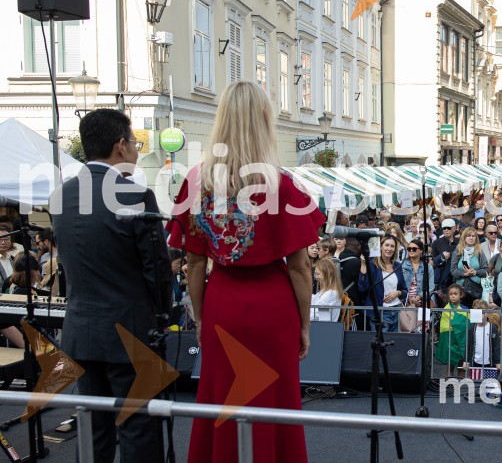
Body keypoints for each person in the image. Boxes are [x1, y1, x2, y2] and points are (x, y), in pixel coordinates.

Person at [167, 82, 323, 463]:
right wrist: (305, 325)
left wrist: (201, 319)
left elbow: (194, 264)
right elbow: (300, 268)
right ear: (265, 122)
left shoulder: (198, 182)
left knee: (222, 398)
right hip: (273, 308)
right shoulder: (281, 184)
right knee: (276, 401)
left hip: (223, 304)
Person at [52, 108, 172, 463]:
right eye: (134, 144)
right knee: (137, 430)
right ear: (120, 146)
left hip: (80, 332)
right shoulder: (135, 195)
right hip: (132, 332)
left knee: (93, 431)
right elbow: (158, 270)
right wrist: (163, 316)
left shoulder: (62, 196)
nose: (136, 152)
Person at [358, 235, 406, 332]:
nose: (389, 249)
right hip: (379, 312)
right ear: (380, 247)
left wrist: (398, 293)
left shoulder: (397, 265)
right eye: (386, 245)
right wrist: (363, 265)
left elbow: (405, 290)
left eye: (392, 246)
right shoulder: (372, 264)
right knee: (380, 345)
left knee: (394, 345)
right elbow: (362, 288)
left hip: (396, 310)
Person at [436, 284, 470, 376]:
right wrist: (457, 323)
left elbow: (467, 324)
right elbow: (444, 325)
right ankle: (449, 376)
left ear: (461, 295)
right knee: (450, 358)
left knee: (460, 358)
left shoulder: (465, 309)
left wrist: (456, 323)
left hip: (461, 338)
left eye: (455, 294)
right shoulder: (446, 309)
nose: (453, 296)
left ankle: (461, 375)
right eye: (451, 294)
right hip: (450, 337)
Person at [451, 227, 488, 306]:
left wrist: (475, 272)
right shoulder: (457, 251)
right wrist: (464, 274)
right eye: (469, 236)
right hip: (460, 289)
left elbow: (486, 270)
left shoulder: (480, 252)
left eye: (473, 236)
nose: (471, 238)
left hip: (475, 290)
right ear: (464, 237)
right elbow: (453, 270)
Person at [465, 299, 501, 369]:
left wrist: (498, 362)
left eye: (482, 313)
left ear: (487, 313)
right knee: (475, 380)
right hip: (475, 362)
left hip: (489, 363)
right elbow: (468, 345)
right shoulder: (472, 328)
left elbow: (496, 346)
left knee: (490, 380)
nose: (480, 316)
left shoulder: (492, 328)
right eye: (478, 313)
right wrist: (466, 361)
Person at [432, 219, 459, 292]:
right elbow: (432, 261)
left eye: (449, 228)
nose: (446, 230)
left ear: (454, 229)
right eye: (444, 228)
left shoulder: (459, 242)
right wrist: (441, 257)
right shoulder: (436, 242)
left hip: (456, 278)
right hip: (441, 278)